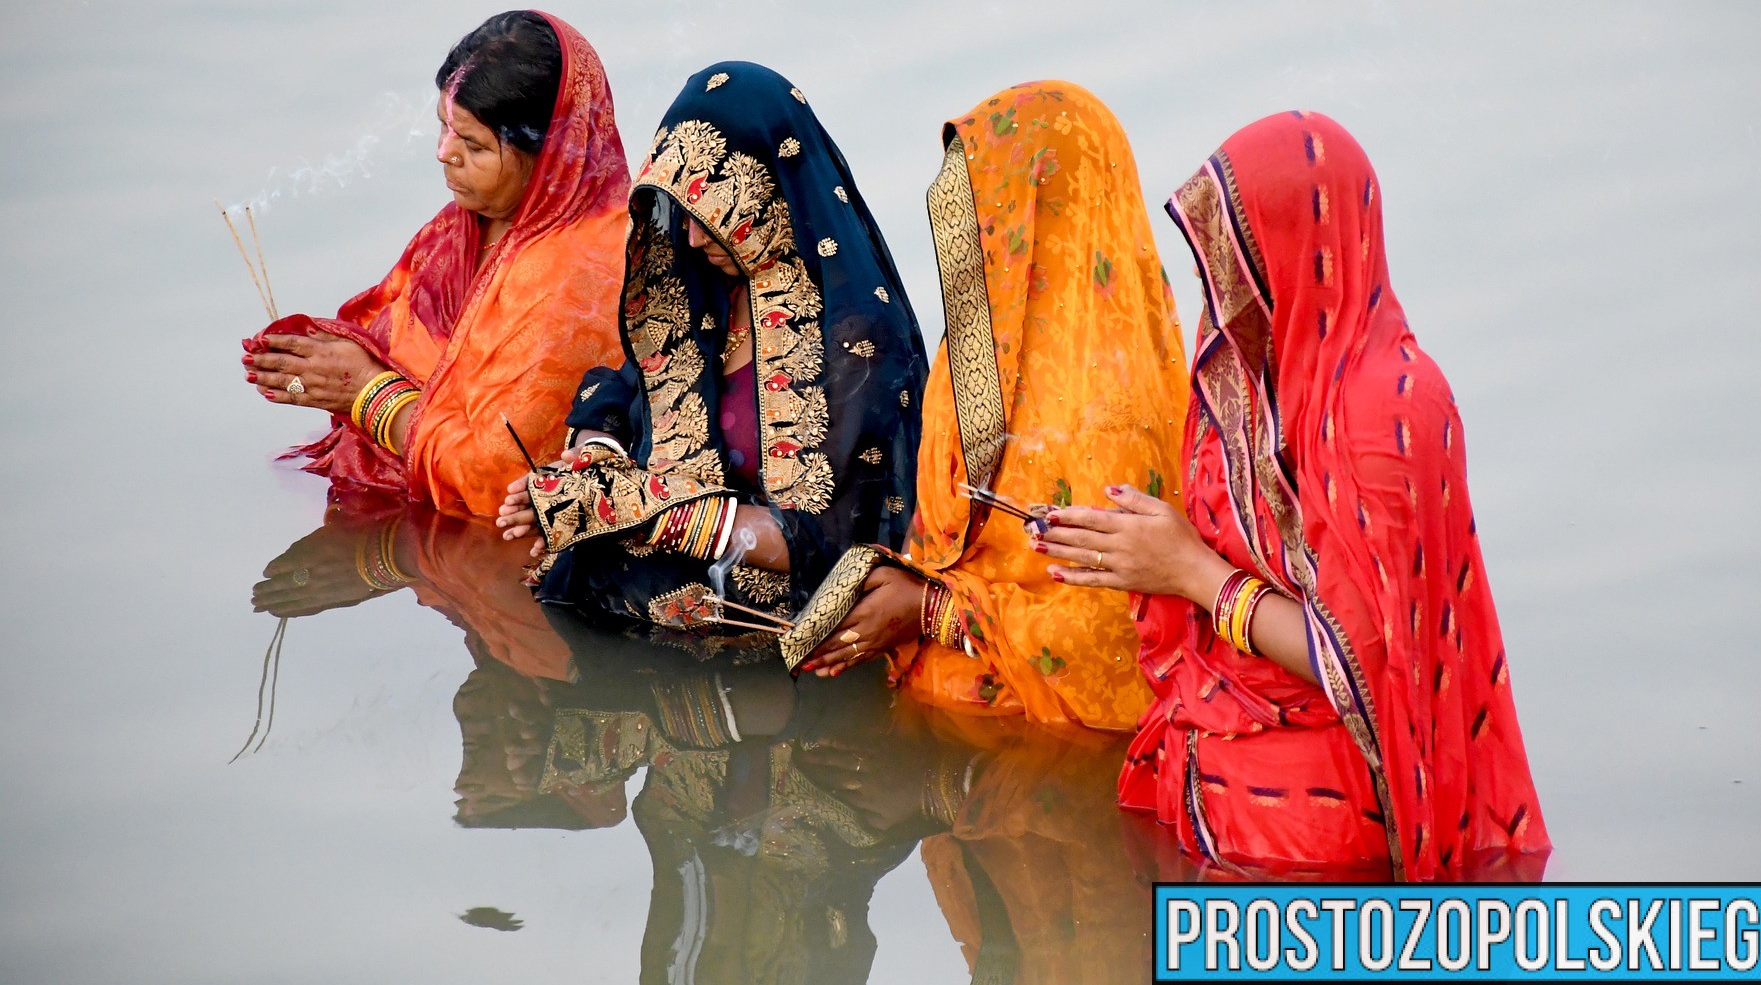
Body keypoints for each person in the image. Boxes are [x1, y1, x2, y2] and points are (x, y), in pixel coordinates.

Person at [1035, 111, 1549, 880]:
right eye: (1215, 255)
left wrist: (1191, 575)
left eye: (1240, 251)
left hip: (1329, 841)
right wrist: (1133, 548)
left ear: (1302, 247)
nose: (1224, 282)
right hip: (1211, 790)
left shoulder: (1391, 405)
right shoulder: (1244, 372)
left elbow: (1372, 669)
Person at [496, 63, 927, 661]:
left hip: (772, 644)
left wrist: (650, 513)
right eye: (687, 219)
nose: (695, 241)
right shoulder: (706, 290)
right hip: (662, 609)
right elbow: (624, 387)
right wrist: (592, 461)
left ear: (767, 196)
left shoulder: (855, 340)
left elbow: (841, 544)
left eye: (714, 218)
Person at [801, 82, 1188, 735]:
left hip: (1044, 758)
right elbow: (946, 544)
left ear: (1050, 209)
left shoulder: (1114, 406)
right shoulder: (974, 357)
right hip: (937, 729)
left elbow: (1121, 643)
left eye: (989, 206)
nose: (973, 233)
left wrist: (933, 612)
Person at [241, 11, 629, 518]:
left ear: (555, 154)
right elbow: (397, 339)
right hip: (411, 469)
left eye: (473, 145)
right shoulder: (468, 222)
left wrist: (365, 393)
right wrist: (322, 366)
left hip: (496, 539)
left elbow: (502, 481)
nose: (444, 154)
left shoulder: (579, 274)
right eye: (444, 128)